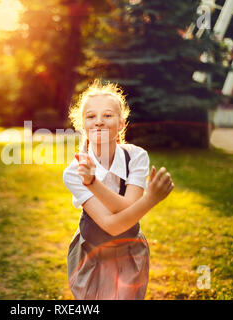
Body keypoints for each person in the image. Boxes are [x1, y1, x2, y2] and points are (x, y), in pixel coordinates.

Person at [63, 79, 174, 300]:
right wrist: (151, 199)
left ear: (121, 124)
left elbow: (128, 209)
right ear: (82, 125)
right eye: (91, 116)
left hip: (129, 253)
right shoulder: (74, 171)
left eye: (107, 116)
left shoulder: (136, 156)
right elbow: (113, 225)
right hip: (91, 254)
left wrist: (93, 183)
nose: (99, 122)